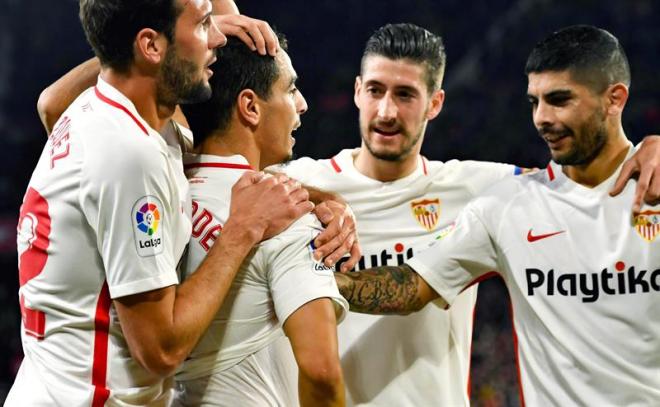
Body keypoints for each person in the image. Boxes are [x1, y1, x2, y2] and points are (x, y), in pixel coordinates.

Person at [276, 23, 660, 406]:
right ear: (358, 91)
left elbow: (570, 185)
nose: (387, 111)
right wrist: (316, 200)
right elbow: (230, 181)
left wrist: (650, 144)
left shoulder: (486, 189)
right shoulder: (296, 182)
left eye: (406, 94)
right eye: (376, 90)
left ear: (435, 103)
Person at [7, 1, 315, 405]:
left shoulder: (111, 111)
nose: (220, 37)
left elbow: (50, 103)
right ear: (151, 46)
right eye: (205, 24)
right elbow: (160, 350)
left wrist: (324, 199)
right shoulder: (129, 156)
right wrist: (243, 229)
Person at [173, 34, 347, 406]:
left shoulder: (161, 184)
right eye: (291, 89)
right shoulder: (284, 218)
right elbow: (322, 371)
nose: (301, 104)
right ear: (250, 106)